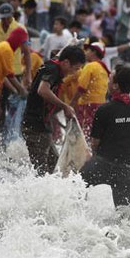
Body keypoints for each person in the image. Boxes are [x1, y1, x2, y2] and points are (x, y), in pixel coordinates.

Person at [80, 65, 130, 208]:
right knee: (126, 217)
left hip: (102, 164)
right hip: (126, 168)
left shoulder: (104, 110)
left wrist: (92, 158)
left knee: (75, 186)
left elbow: (94, 143)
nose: (107, 82)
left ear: (115, 86)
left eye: (109, 79)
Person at [22, 46, 85, 175]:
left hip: (42, 124)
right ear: (66, 63)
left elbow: (59, 55)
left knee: (53, 163)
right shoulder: (53, 70)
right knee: (42, 171)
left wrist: (71, 44)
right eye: (75, 68)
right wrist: (65, 106)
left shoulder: (54, 64)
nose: (75, 72)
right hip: (35, 126)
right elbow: (42, 90)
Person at [70, 41, 110, 139]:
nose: (85, 52)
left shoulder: (90, 66)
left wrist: (72, 103)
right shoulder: (103, 69)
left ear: (94, 52)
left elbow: (81, 88)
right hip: (100, 105)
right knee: (91, 133)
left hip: (87, 105)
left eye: (87, 50)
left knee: (82, 134)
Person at [0, 3, 31, 88]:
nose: (6, 21)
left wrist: (28, 74)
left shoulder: (20, 29)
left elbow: (27, 52)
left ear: (12, 15)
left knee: (14, 97)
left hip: (15, 70)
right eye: (3, 19)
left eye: (8, 18)